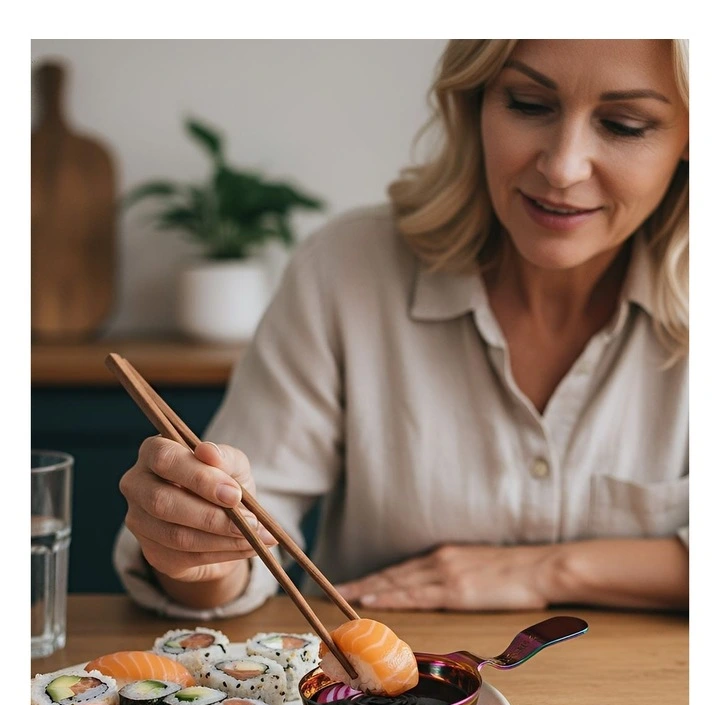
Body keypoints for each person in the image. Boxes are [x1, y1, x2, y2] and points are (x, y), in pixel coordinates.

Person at [114, 39, 689, 621]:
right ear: (474, 103)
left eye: (625, 124)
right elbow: (241, 548)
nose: (563, 167)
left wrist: (547, 569)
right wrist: (199, 553)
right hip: (376, 698)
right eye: (528, 104)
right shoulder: (347, 268)